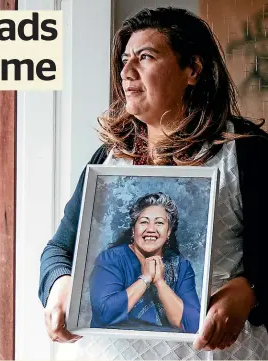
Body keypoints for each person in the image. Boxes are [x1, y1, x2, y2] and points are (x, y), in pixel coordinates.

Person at [39, 6, 268, 359]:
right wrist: (59, 285)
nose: (126, 71)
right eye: (125, 60)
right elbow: (60, 251)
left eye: (145, 57)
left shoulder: (244, 153)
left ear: (192, 69)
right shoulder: (109, 158)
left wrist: (249, 291)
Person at [89, 192, 200, 333]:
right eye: (144, 222)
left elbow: (193, 326)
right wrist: (145, 279)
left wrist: (160, 282)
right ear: (134, 230)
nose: (151, 229)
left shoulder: (181, 266)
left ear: (169, 231)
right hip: (116, 347)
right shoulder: (111, 259)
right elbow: (104, 315)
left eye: (159, 223)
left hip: (166, 349)